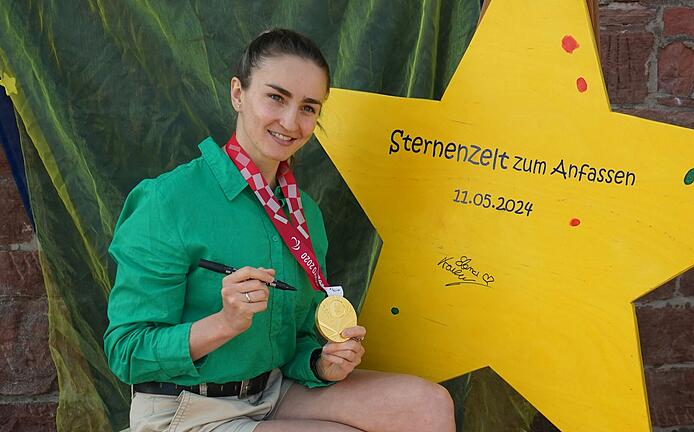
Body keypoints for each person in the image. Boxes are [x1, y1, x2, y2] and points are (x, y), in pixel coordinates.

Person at [104, 28, 455, 432]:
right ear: (238, 93)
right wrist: (224, 323)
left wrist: (321, 364)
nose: (291, 122)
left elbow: (298, 338)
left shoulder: (305, 212)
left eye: (309, 107)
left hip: (274, 393)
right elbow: (126, 351)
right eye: (276, 97)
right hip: (186, 410)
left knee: (428, 405)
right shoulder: (166, 201)